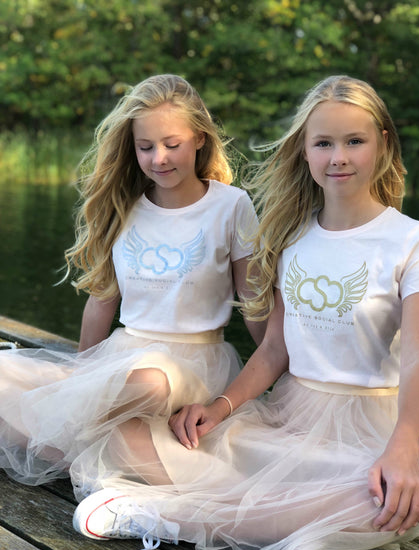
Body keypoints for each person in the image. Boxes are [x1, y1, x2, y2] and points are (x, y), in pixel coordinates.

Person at [71, 75, 419, 550]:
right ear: (305, 151)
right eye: (324, 143)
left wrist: (404, 446)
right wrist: (220, 407)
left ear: (383, 143)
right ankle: (309, 541)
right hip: (290, 416)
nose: (339, 157)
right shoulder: (291, 238)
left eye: (354, 141)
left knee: (388, 496)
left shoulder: (411, 241)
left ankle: (164, 516)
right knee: (130, 436)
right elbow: (273, 349)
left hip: (370, 429)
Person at [0, 74, 265, 492]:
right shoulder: (123, 205)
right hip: (123, 356)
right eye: (146, 147)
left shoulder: (231, 206)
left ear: (199, 138)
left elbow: (254, 305)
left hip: (192, 363)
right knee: (3, 373)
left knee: (151, 384)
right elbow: (101, 303)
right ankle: (94, 451)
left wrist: (279, 365)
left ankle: (69, 445)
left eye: (172, 144)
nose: (159, 158)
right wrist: (81, 376)